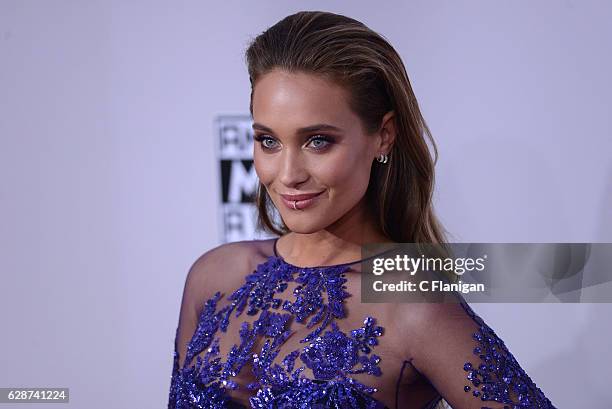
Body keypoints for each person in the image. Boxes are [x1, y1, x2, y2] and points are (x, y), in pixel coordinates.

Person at [168, 11, 555, 409]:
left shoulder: (411, 304)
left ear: (383, 136)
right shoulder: (213, 276)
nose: (288, 175)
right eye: (268, 141)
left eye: (318, 141)